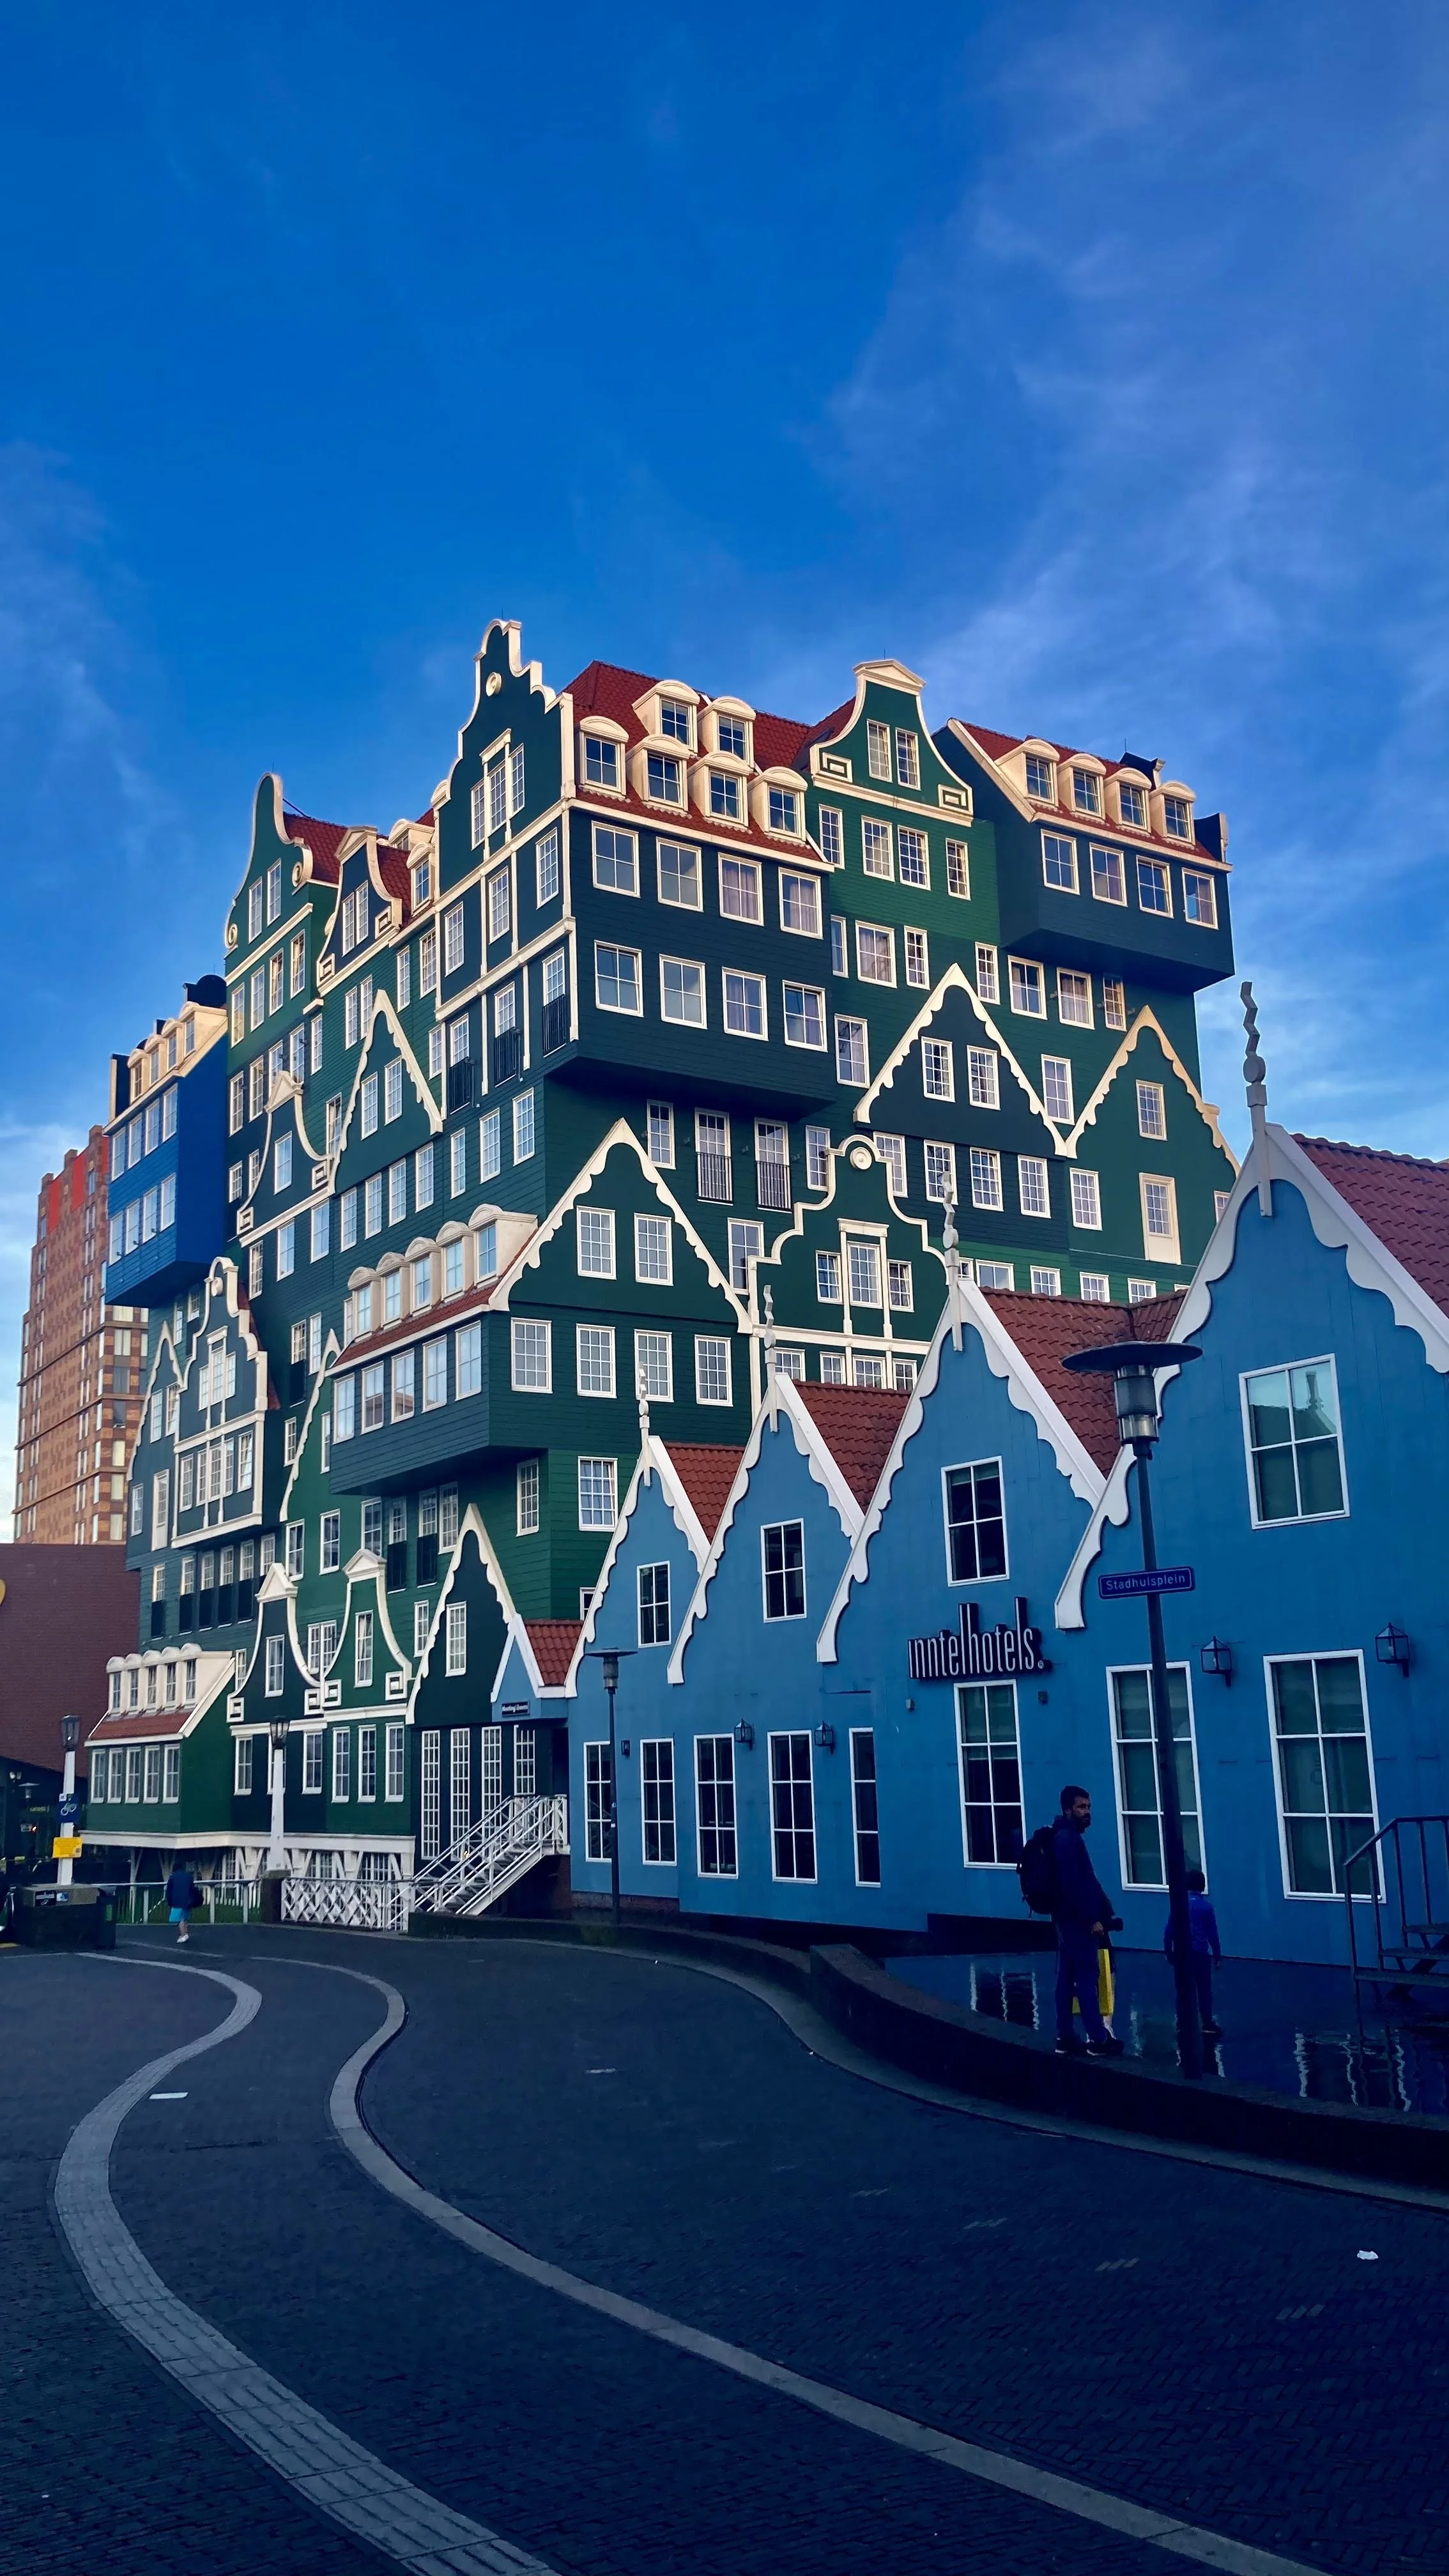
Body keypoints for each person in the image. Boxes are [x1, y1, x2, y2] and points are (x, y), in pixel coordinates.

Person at [1051, 1785, 1124, 2057]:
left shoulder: (1063, 1836)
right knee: (1086, 1977)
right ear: (1068, 1808)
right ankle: (1098, 2039)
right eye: (1082, 1807)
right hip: (1077, 1922)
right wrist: (1092, 1919)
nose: (1087, 1812)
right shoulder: (1068, 1840)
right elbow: (1074, 1885)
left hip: (1066, 1921)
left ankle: (1066, 2036)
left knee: (1066, 1977)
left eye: (1088, 1807)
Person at [1165, 1865, 1222, 2038]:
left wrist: (1169, 1952)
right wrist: (1217, 1956)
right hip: (1200, 1955)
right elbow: (1213, 1934)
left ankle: (1183, 2023)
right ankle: (1207, 2022)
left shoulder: (1179, 1905)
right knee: (1204, 1989)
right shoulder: (1206, 1908)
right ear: (1203, 1886)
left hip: (1182, 1955)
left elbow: (1169, 1931)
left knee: (1182, 1989)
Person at [165, 1858, 198, 1945]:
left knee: (179, 1919)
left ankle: (183, 1935)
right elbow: (192, 1888)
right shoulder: (188, 1876)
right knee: (184, 1918)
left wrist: (168, 1900)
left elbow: (169, 1890)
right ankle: (185, 1933)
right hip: (188, 1900)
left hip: (177, 1901)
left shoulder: (172, 1877)